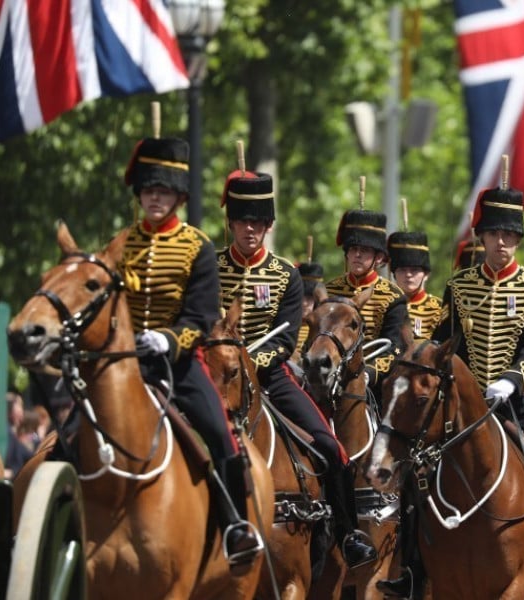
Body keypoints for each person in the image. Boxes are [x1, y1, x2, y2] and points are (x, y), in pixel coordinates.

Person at [379, 183, 524, 599]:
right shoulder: (460, 286)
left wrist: (513, 379)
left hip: (515, 401)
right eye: (497, 233)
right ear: (481, 237)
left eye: (511, 234)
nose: (504, 241)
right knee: (414, 473)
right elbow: (447, 342)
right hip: (462, 405)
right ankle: (412, 568)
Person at [215, 169, 376, 567]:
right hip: (215, 377)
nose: (250, 229)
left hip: (270, 378)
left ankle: (347, 532)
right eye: (243, 221)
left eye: (258, 222)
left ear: (268, 226)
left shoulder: (284, 274)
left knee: (330, 447)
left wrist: (249, 365)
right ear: (231, 223)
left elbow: (285, 339)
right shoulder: (211, 266)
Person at [119, 135, 261, 566]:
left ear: (179, 195)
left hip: (178, 364)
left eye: (162, 190)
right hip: (123, 363)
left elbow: (200, 316)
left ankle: (236, 525)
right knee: (67, 433)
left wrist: (168, 339)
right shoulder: (122, 243)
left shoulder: (195, 245)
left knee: (220, 435)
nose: (154, 196)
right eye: (148, 189)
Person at [326, 208, 407, 393]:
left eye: (364, 250)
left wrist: (368, 374)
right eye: (353, 249)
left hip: (373, 383)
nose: (357, 255)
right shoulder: (331, 290)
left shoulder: (393, 296)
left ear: (378, 257)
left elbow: (393, 349)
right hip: (328, 376)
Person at [388, 230, 442, 340]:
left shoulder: (439, 308)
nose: (408, 275)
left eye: (415, 270)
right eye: (402, 270)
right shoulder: (385, 305)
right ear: (394, 274)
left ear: (426, 275)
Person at [295, 260, 324, 356]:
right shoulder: (287, 325)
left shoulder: (322, 330)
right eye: (300, 297)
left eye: (309, 298)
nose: (304, 303)